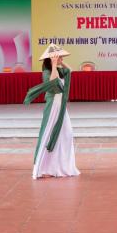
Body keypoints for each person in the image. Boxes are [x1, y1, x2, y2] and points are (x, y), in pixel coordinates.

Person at [23, 44, 80, 179]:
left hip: (61, 107)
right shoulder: (47, 72)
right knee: (48, 134)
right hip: (53, 106)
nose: (61, 59)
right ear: (51, 59)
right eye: (59, 57)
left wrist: (60, 62)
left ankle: (58, 166)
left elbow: (69, 71)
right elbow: (53, 83)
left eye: (61, 57)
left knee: (66, 134)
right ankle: (44, 168)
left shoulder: (60, 70)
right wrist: (54, 64)